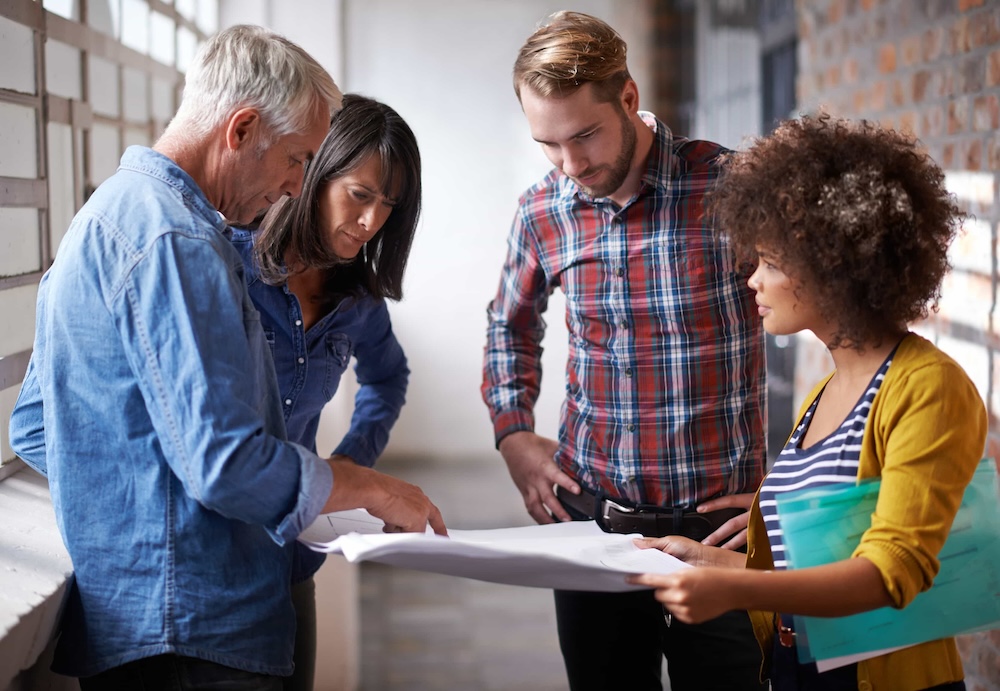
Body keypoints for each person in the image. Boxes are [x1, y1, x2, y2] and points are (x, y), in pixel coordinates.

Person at [8, 25, 446, 690]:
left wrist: (145, 506)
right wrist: (371, 485)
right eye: (298, 158)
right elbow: (226, 462)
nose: (297, 183)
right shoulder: (178, 240)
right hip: (200, 626)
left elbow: (40, 426)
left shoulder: (108, 215)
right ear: (241, 129)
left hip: (161, 616)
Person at [629, 114, 986, 691]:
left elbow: (890, 574)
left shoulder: (927, 387)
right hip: (800, 669)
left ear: (834, 263)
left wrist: (732, 589)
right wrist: (703, 562)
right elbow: (809, 576)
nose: (753, 280)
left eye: (770, 261)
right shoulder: (826, 391)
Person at [481, 11, 767, 691]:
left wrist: (792, 495)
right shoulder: (541, 210)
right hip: (595, 528)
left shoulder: (732, 188)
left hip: (721, 532)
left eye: (584, 135)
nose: (571, 165)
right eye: (548, 144)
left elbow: (832, 322)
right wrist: (513, 433)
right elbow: (509, 325)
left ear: (630, 98)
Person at [230, 93, 422, 691]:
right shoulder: (227, 264)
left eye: (388, 205)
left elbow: (388, 375)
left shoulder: (356, 299)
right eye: (360, 195)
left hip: (295, 556)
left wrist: (350, 463)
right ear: (314, 171)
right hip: (220, 561)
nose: (372, 223)